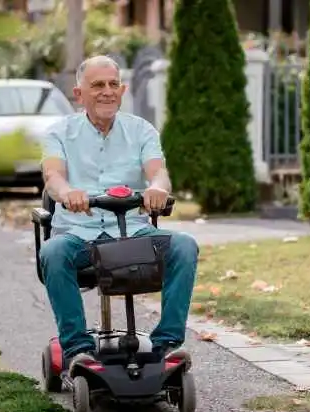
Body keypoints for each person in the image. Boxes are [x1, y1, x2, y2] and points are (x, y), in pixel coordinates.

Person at [39, 55, 199, 373]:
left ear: (122, 90)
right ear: (79, 93)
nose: (107, 92)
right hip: (79, 235)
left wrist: (157, 188)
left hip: (133, 232)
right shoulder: (59, 133)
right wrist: (68, 192)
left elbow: (158, 172)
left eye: (113, 85)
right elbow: (53, 176)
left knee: (184, 245)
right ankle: (77, 350)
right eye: (97, 85)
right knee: (53, 251)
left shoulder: (141, 130)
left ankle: (167, 343)